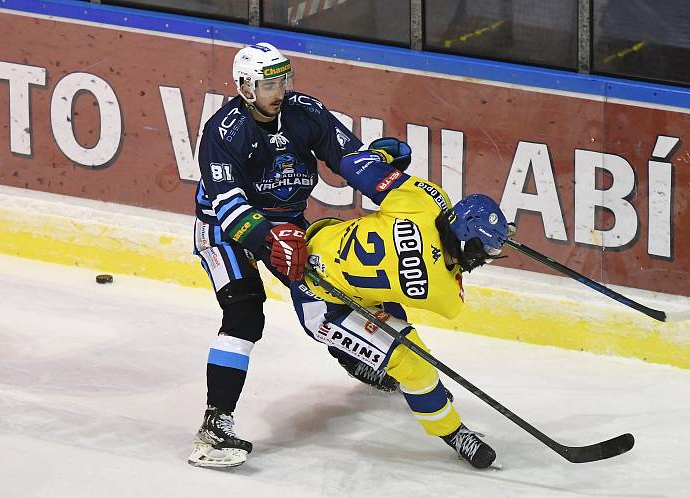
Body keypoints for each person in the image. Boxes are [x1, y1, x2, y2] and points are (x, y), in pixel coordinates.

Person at [188, 42, 408, 468]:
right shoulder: (223, 132)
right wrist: (271, 242)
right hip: (225, 231)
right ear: (245, 87)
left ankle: (354, 358)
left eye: (283, 80)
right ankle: (215, 425)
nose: (279, 90)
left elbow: (350, 159)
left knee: (337, 291)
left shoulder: (305, 111)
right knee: (245, 315)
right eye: (269, 83)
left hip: (288, 222)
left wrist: (390, 175)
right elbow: (230, 208)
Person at [290, 144, 510, 469]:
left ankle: (370, 362)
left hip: (315, 242)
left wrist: (384, 157)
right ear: (467, 245)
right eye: (484, 253)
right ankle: (453, 433)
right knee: (413, 364)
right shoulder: (446, 295)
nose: (483, 260)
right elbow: (449, 281)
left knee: (393, 304)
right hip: (322, 303)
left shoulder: (424, 199)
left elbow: (354, 164)